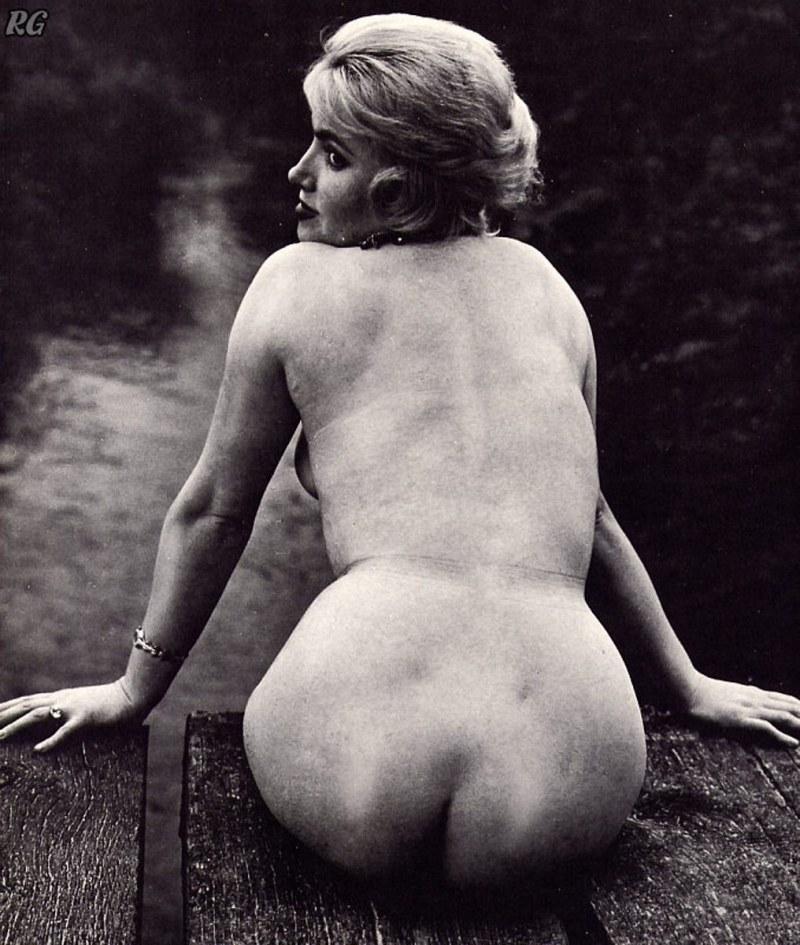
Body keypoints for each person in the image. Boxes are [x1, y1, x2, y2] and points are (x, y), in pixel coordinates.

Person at [1, 13, 799, 887]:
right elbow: (595, 517)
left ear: (397, 193)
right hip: (572, 769)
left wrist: (133, 690)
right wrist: (688, 684)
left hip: (355, 754)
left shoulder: (294, 283)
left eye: (332, 154)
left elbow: (215, 511)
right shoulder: (548, 290)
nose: (297, 172)